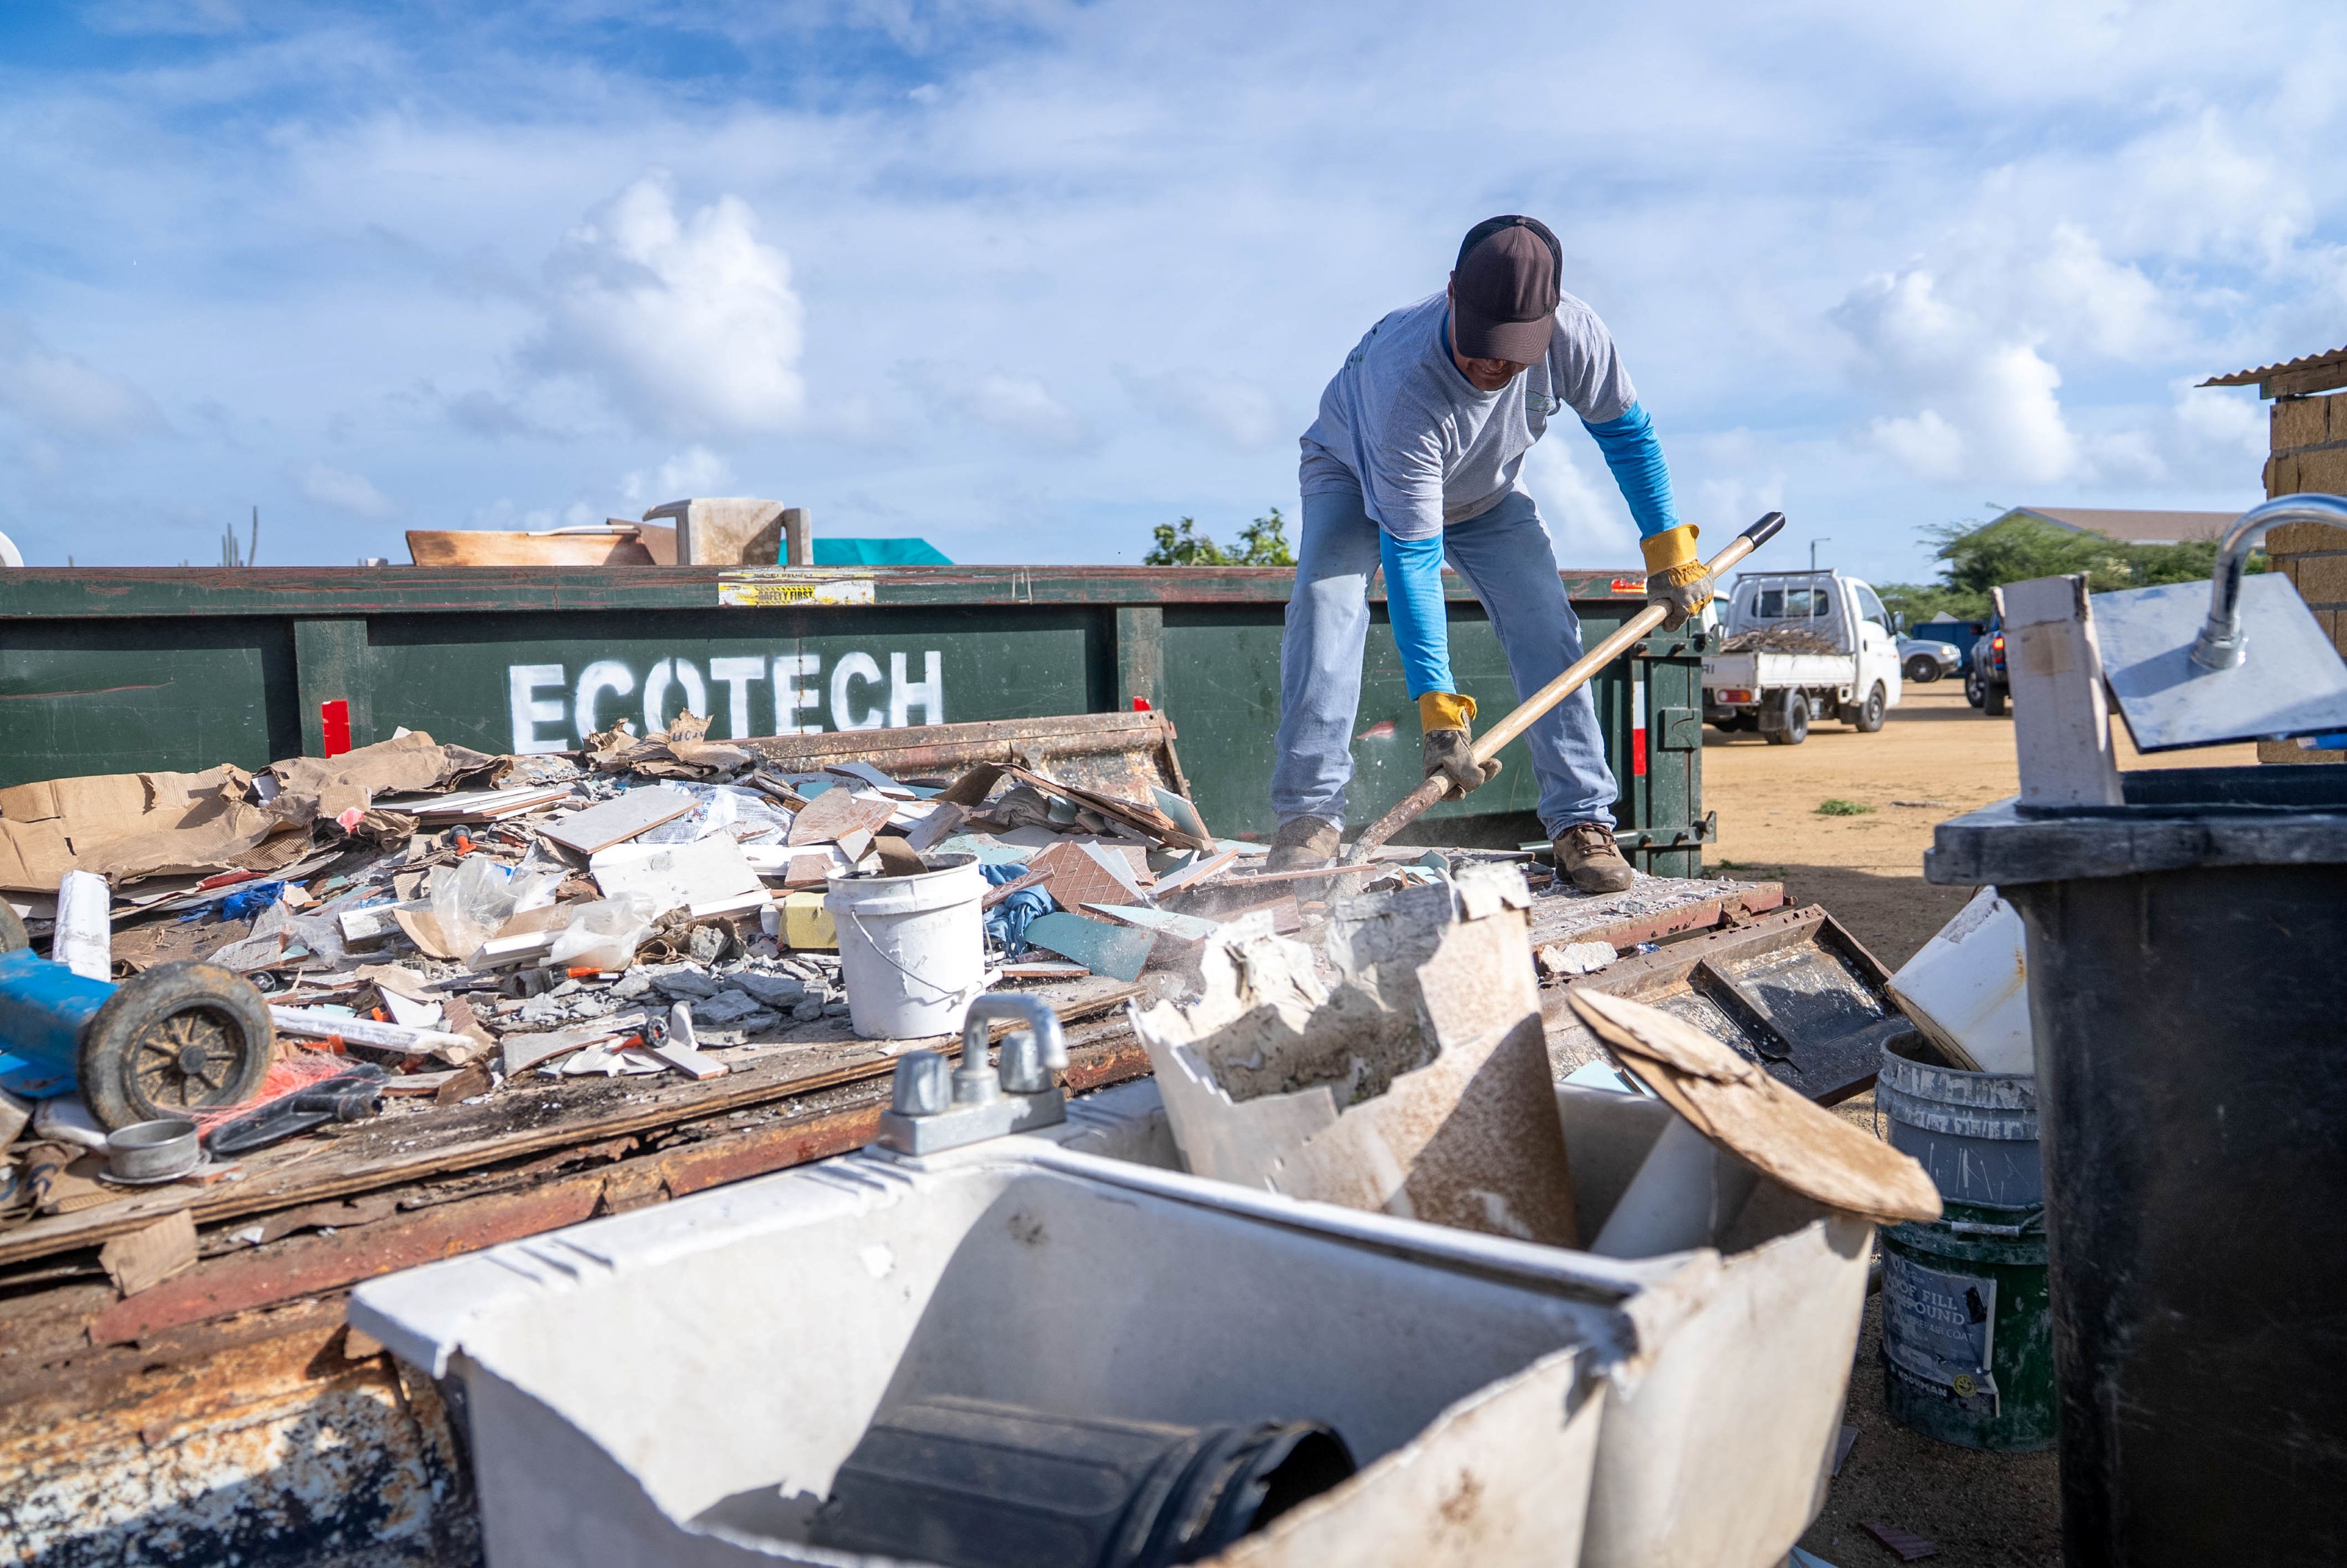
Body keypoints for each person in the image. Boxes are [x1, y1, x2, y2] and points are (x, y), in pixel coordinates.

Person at [1266, 214, 1710, 891]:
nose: (1493, 366)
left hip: (1486, 492)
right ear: (1452, 293)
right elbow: (1414, 561)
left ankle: (1580, 821)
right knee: (1327, 610)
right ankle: (1308, 815)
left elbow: (1627, 436)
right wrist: (1440, 712)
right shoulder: (1403, 382)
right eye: (1482, 346)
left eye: (1513, 352)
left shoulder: (1577, 335)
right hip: (1352, 472)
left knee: (1546, 625)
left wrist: (1669, 553)